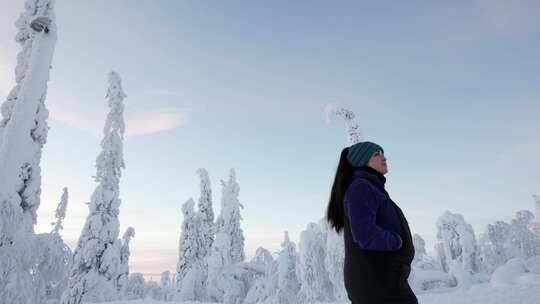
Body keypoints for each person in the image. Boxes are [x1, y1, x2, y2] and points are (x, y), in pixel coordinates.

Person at [326, 141, 418, 304]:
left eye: (383, 153)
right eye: (377, 154)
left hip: (380, 281)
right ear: (362, 160)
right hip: (377, 282)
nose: (384, 157)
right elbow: (365, 234)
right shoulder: (361, 187)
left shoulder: (368, 187)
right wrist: (397, 241)